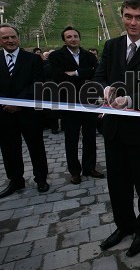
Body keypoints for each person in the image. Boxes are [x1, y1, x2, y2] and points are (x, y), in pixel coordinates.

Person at [93, 0, 140, 257]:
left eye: (138, 17)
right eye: (128, 16)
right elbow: (100, 75)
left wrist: (130, 99)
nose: (133, 22)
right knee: (117, 184)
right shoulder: (112, 46)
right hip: (114, 130)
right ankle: (123, 226)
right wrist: (104, 89)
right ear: (122, 16)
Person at [0, 24, 50, 198]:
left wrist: (18, 103)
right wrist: (6, 104)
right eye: (5, 37)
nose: (10, 40)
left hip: (29, 113)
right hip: (4, 115)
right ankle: (15, 180)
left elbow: (37, 84)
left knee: (36, 147)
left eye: (13, 36)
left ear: (18, 37)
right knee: (9, 150)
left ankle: (41, 178)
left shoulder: (32, 59)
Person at [49, 26, 102, 185]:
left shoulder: (89, 55)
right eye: (69, 37)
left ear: (79, 38)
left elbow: (96, 73)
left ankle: (89, 167)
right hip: (69, 103)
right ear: (64, 40)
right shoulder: (56, 56)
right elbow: (58, 77)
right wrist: (84, 75)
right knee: (71, 139)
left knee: (90, 137)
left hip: (88, 102)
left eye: (75, 36)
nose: (73, 39)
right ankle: (74, 171)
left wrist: (76, 73)